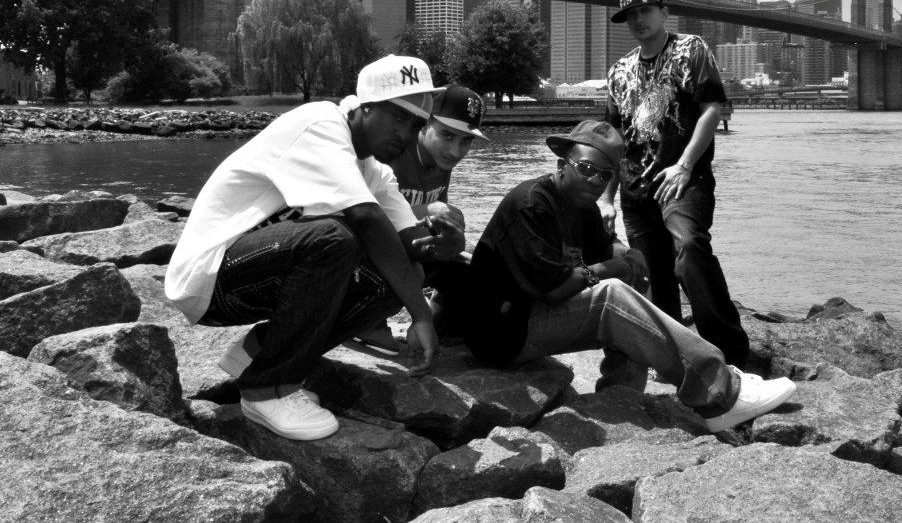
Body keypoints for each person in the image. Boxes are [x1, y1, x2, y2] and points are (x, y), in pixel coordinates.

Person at [164, 55, 462, 441]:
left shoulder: (375, 171)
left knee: (402, 274)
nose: (406, 134)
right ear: (366, 106)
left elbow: (409, 243)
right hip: (209, 276)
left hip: (255, 278)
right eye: (398, 117)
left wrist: (446, 244)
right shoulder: (320, 123)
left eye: (417, 125)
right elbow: (366, 218)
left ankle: (259, 352)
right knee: (334, 238)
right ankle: (267, 389)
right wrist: (422, 314)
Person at [462, 120, 795, 432]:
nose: (594, 181)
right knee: (611, 295)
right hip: (501, 333)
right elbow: (556, 290)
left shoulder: (581, 206)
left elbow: (606, 247)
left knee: (633, 272)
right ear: (562, 165)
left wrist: (627, 255)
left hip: (530, 317)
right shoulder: (532, 205)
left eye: (604, 176)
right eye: (586, 169)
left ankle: (622, 396)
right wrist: (614, 268)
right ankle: (719, 393)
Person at [602, 0, 750, 368]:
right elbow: (615, 139)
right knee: (655, 277)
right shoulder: (618, 72)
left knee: (689, 250)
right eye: (631, 15)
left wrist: (684, 164)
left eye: (645, 11)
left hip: (683, 180)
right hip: (635, 190)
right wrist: (606, 197)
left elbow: (712, 109)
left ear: (664, 13)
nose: (638, 19)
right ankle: (674, 360)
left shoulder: (691, 49)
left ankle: (730, 356)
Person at [354, 83, 489, 348]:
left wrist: (450, 231)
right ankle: (363, 321)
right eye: (447, 135)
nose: (455, 151)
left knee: (479, 266)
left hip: (407, 245)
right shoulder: (392, 149)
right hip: (370, 250)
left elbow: (434, 220)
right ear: (424, 123)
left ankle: (439, 322)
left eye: (466, 141)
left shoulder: (441, 160)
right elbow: (360, 214)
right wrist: (427, 210)